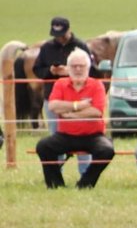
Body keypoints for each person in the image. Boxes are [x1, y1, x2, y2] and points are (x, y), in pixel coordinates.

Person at [35, 50, 115, 189]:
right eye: (74, 66)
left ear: (88, 68)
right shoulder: (60, 83)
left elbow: (96, 111)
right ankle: (56, 185)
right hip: (66, 135)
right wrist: (78, 105)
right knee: (43, 146)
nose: (78, 69)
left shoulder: (96, 85)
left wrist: (71, 114)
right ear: (68, 68)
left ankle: (85, 184)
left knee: (107, 150)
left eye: (81, 66)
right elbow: (53, 106)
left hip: (93, 136)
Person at [33, 16, 96, 176]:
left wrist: (71, 72)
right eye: (55, 34)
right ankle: (56, 173)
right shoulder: (47, 47)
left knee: (83, 134)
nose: (58, 38)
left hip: (78, 96)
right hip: (53, 98)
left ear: (68, 30)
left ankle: (85, 174)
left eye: (61, 34)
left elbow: (93, 70)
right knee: (56, 136)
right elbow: (37, 69)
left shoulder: (80, 46)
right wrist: (51, 72)